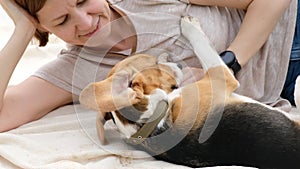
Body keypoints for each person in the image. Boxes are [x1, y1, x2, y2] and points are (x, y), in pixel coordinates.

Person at [0, 0, 294, 132]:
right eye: (62, 21)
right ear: (43, 27)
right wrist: (22, 31)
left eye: (83, 0)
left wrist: (224, 66)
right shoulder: (75, 69)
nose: (86, 23)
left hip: (289, 31)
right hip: (286, 89)